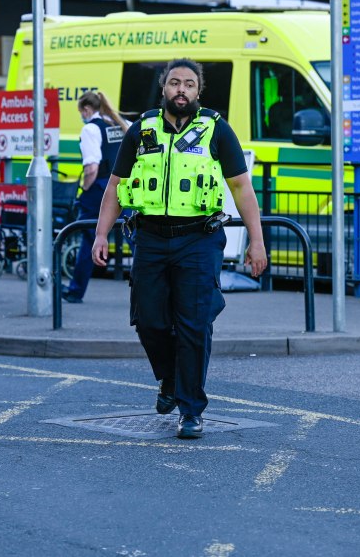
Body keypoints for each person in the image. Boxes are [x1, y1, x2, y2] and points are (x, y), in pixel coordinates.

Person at [91, 58, 267, 439]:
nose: (181, 89)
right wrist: (101, 234)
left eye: (189, 83)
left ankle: (191, 410)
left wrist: (257, 240)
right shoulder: (141, 129)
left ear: (198, 90)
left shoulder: (217, 130)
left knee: (194, 325)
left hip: (198, 239)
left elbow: (242, 188)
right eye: (174, 83)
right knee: (149, 321)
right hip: (151, 238)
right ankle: (169, 380)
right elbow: (115, 187)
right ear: (164, 88)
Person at [61, 91, 130, 303]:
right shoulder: (122, 123)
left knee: (89, 238)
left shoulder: (91, 128)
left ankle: (76, 291)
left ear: (87, 110)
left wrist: (84, 189)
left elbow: (91, 168)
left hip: (100, 189)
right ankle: (150, 291)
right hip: (127, 187)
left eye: (81, 112)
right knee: (135, 236)